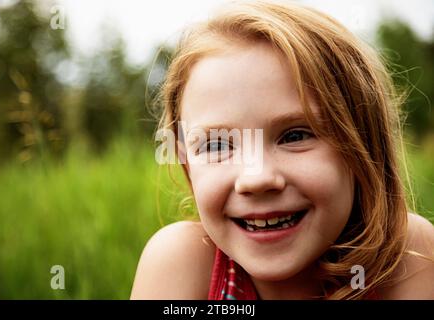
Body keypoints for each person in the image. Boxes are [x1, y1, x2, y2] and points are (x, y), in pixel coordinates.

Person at [131, 0, 434, 299]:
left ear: (364, 148)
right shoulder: (183, 263)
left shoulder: (405, 257)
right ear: (188, 166)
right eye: (217, 145)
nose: (256, 178)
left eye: (294, 136)